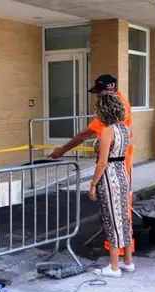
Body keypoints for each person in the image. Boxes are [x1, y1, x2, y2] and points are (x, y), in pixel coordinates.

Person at [49, 74, 135, 256]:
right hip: (122, 162)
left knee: (114, 209)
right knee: (121, 206)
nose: (96, 98)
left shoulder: (110, 112)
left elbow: (86, 135)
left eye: (98, 93)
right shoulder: (122, 105)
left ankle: (116, 255)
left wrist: (62, 150)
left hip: (113, 163)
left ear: (107, 91)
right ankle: (125, 254)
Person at [88, 91, 134, 278]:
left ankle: (114, 266)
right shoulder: (123, 129)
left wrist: (93, 184)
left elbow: (103, 162)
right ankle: (128, 261)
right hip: (123, 175)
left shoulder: (108, 131)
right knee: (123, 218)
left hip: (109, 178)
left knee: (111, 220)